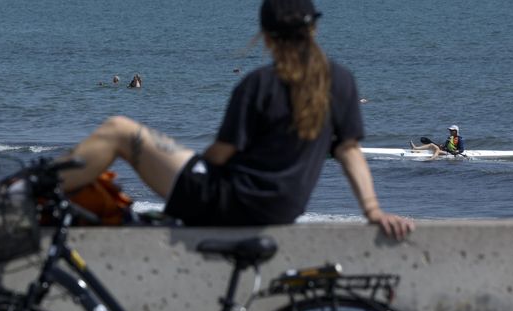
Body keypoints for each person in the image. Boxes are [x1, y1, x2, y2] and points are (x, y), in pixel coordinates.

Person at [59, 0, 413, 240]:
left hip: (230, 202)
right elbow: (349, 150)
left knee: (120, 130)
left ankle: (23, 194)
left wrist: (187, 166)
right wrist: (373, 210)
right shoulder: (341, 81)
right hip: (284, 207)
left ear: (267, 37)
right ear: (314, 31)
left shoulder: (260, 84)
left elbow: (220, 155)